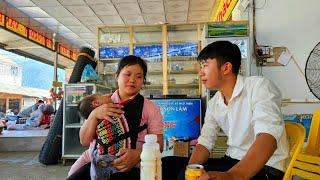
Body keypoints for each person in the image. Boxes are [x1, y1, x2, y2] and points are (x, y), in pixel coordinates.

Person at [162, 41, 288, 180]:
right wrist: (190, 171)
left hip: (265, 168)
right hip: (231, 161)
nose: (200, 72)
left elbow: (268, 136)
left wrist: (233, 176)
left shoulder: (258, 87)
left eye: (205, 65)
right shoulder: (214, 102)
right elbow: (205, 142)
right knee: (168, 164)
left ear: (226, 67)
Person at [67, 55, 164, 180]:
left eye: (139, 76)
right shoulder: (101, 102)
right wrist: (94, 115)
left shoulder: (151, 108)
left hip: (132, 165)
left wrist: (138, 154)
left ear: (143, 81)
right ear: (116, 76)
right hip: (95, 159)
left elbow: (159, 145)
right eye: (127, 74)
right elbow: (84, 141)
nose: (132, 80)